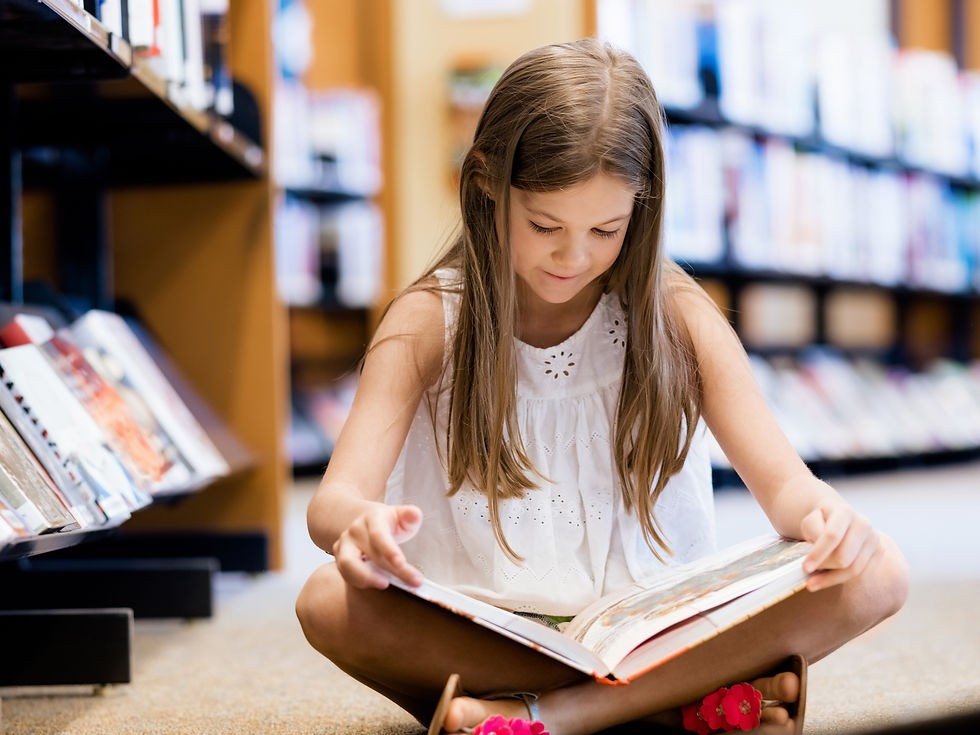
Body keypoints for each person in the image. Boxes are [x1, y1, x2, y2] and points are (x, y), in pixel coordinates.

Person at [295, 38, 909, 735]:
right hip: (493, 624)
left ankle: (554, 714)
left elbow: (788, 488)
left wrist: (826, 518)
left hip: (656, 624)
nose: (574, 255)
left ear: (640, 212)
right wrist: (359, 526)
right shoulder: (429, 319)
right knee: (326, 600)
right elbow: (332, 501)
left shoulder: (676, 315)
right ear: (486, 184)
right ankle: (673, 702)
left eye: (606, 229)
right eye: (545, 225)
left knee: (879, 568)